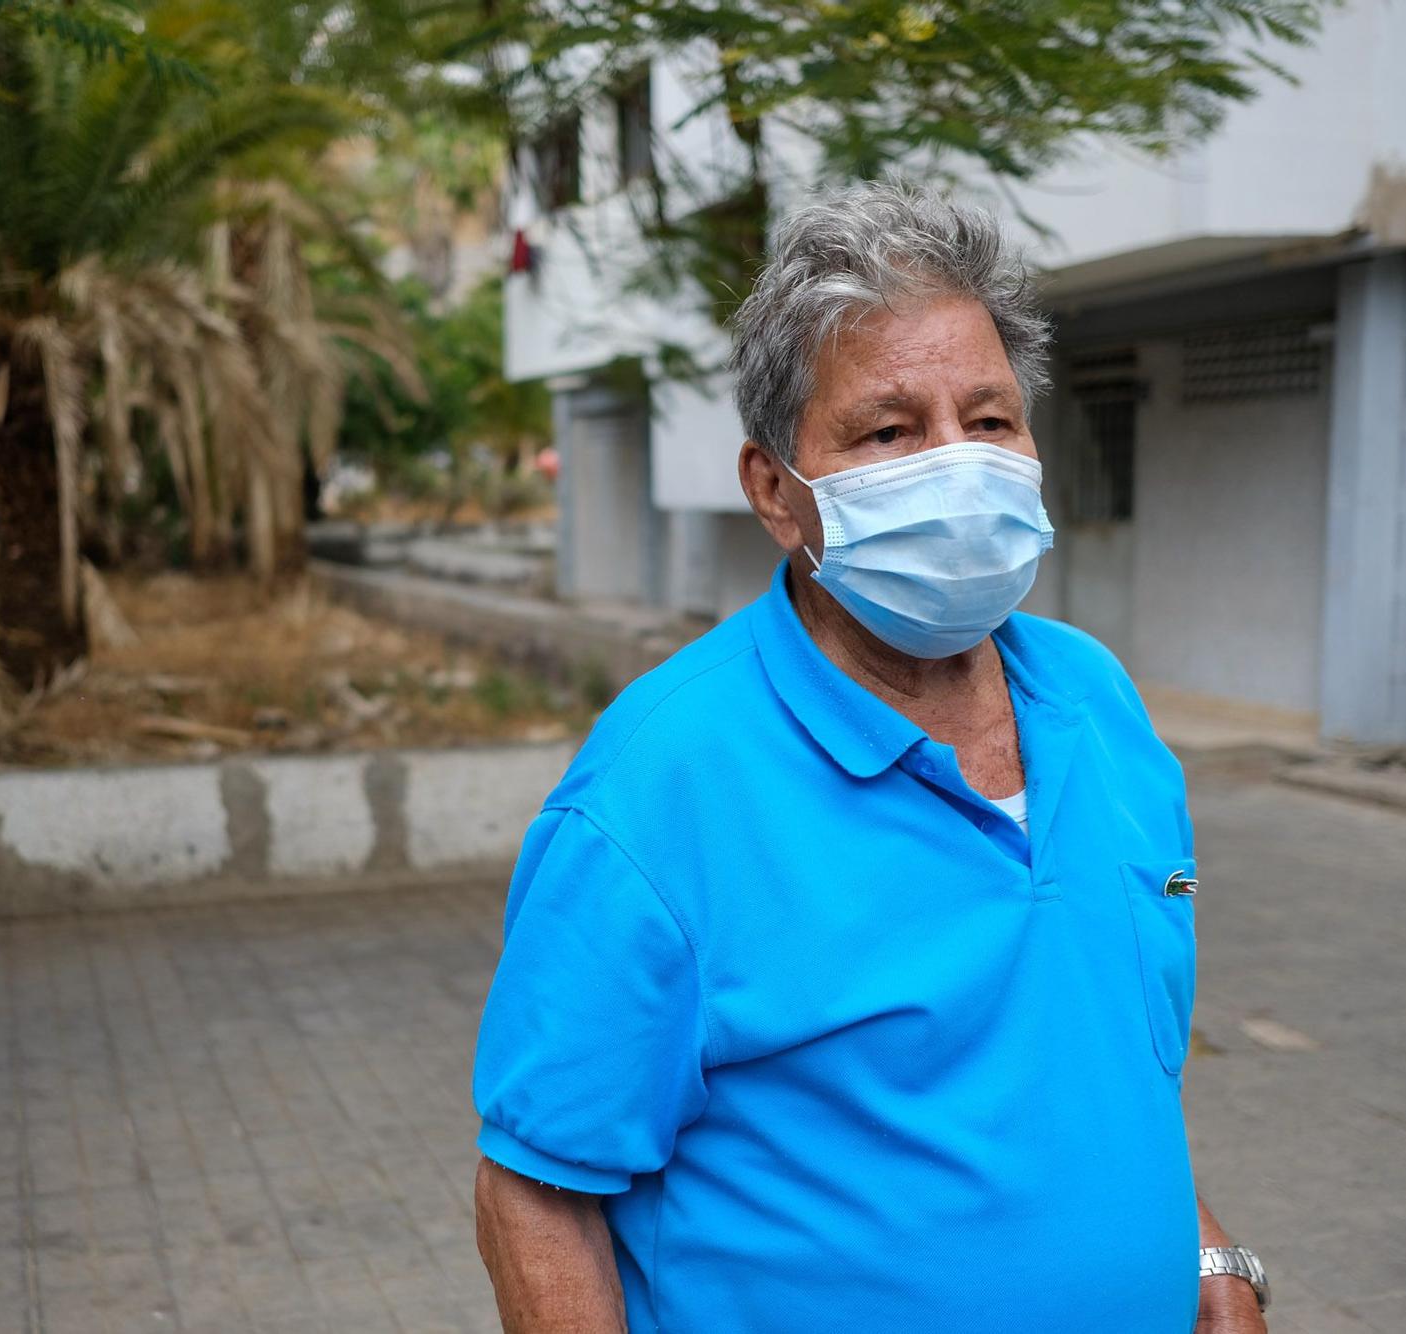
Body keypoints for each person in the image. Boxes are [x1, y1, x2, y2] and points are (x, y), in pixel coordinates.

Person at [470, 181, 1270, 1332]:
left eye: (988, 420)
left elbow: (1106, 1057)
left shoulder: (1096, 702)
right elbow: (535, 1191)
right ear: (773, 492)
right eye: (889, 430)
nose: (958, 464)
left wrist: (1207, 1260)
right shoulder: (659, 786)